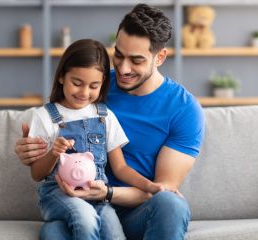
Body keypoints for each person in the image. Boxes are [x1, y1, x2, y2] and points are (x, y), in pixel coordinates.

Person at [15, 4, 204, 240]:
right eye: (119, 55)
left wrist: (106, 193)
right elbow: (56, 118)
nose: (123, 68)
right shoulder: (95, 84)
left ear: (160, 57)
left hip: (135, 212)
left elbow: (159, 191)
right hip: (78, 204)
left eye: (136, 60)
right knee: (52, 232)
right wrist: (32, 150)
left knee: (172, 204)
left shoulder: (184, 109)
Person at [29, 38, 166, 240]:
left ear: (102, 85)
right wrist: (53, 153)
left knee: (114, 233)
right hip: (58, 195)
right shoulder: (45, 116)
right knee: (85, 218)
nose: (84, 92)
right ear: (61, 77)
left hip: (97, 195)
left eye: (94, 86)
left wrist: (150, 186)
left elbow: (120, 168)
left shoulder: (105, 116)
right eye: (77, 83)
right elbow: (37, 174)